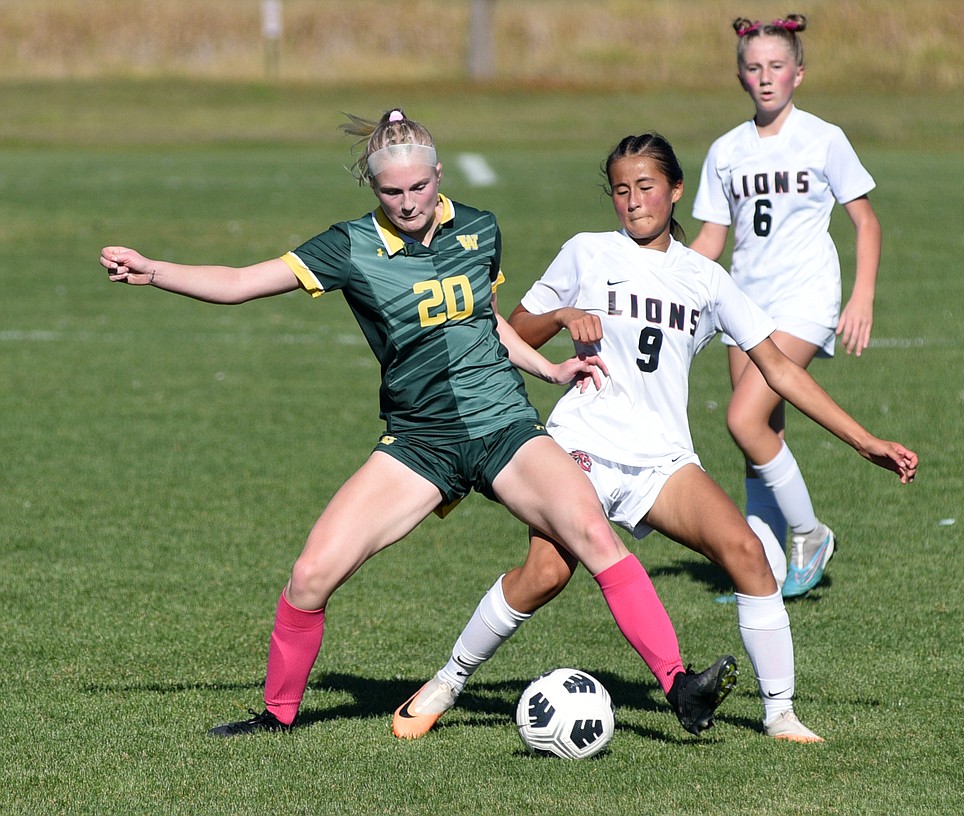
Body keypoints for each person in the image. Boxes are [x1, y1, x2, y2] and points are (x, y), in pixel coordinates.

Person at [97, 109, 738, 738]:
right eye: (392, 191)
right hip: (420, 442)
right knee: (311, 575)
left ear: (438, 174)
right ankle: (276, 716)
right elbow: (240, 281)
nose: (408, 202)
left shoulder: (480, 229)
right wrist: (155, 272)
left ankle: (679, 685)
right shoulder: (349, 246)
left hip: (503, 427)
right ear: (374, 189)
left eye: (419, 187)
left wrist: (546, 370)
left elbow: (486, 321)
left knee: (596, 538)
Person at [391, 133, 916, 744]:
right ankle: (446, 684)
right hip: (579, 445)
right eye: (621, 189)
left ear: (675, 191)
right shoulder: (586, 252)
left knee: (746, 554)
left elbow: (779, 368)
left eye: (646, 187)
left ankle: (780, 714)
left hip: (662, 459)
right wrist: (562, 316)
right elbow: (514, 334)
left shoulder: (706, 279)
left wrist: (863, 440)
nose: (634, 201)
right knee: (544, 575)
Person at [690, 15, 885, 598]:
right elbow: (710, 241)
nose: (765, 77)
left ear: (798, 74)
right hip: (744, 305)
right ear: (740, 76)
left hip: (805, 298)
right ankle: (765, 571)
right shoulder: (725, 150)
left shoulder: (824, 138)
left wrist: (862, 296)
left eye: (777, 66)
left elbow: (866, 221)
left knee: (742, 420)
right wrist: (663, 274)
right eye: (754, 68)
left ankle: (809, 533)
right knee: (760, 436)